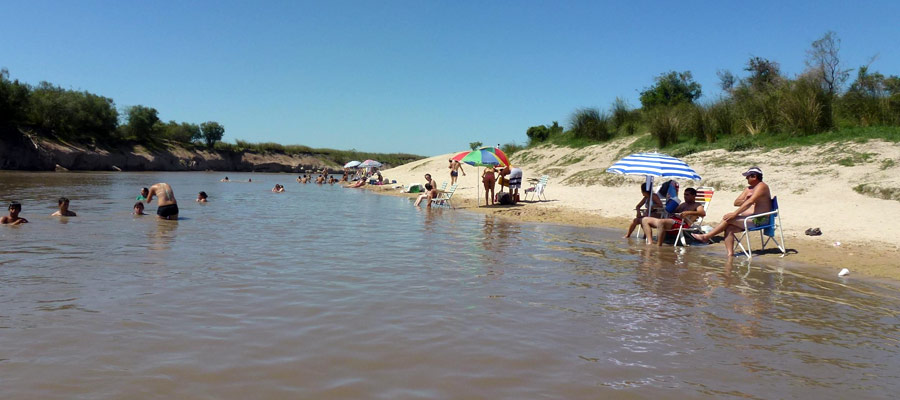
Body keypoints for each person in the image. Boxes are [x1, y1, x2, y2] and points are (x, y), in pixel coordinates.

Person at [692, 166, 772, 257]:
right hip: (748, 219)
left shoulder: (762, 186)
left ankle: (706, 237)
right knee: (729, 228)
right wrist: (746, 199)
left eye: (748, 176)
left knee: (728, 219)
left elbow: (750, 202)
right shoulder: (748, 189)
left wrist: (735, 214)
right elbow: (736, 202)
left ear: (754, 176)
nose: (746, 178)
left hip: (761, 219)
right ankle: (730, 255)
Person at [640, 187, 706, 245]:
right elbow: (673, 212)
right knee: (645, 220)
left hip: (683, 223)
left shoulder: (696, 205)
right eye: (684, 195)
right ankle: (650, 242)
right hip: (673, 220)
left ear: (694, 196)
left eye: (687, 195)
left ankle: (658, 245)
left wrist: (688, 212)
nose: (685, 196)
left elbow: (703, 213)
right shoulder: (683, 204)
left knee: (661, 222)